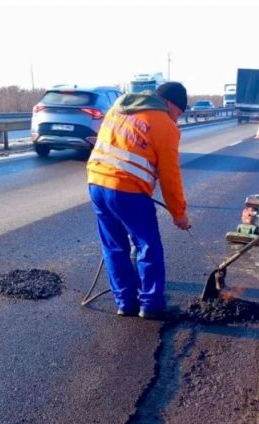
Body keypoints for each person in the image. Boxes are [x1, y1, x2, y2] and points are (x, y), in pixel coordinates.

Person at [86, 81, 192, 320]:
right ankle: (151, 305)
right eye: (177, 113)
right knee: (148, 246)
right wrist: (179, 214)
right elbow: (170, 176)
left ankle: (125, 303)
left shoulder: (118, 108)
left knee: (114, 247)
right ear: (168, 104)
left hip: (96, 184)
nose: (176, 119)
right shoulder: (163, 123)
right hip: (127, 192)